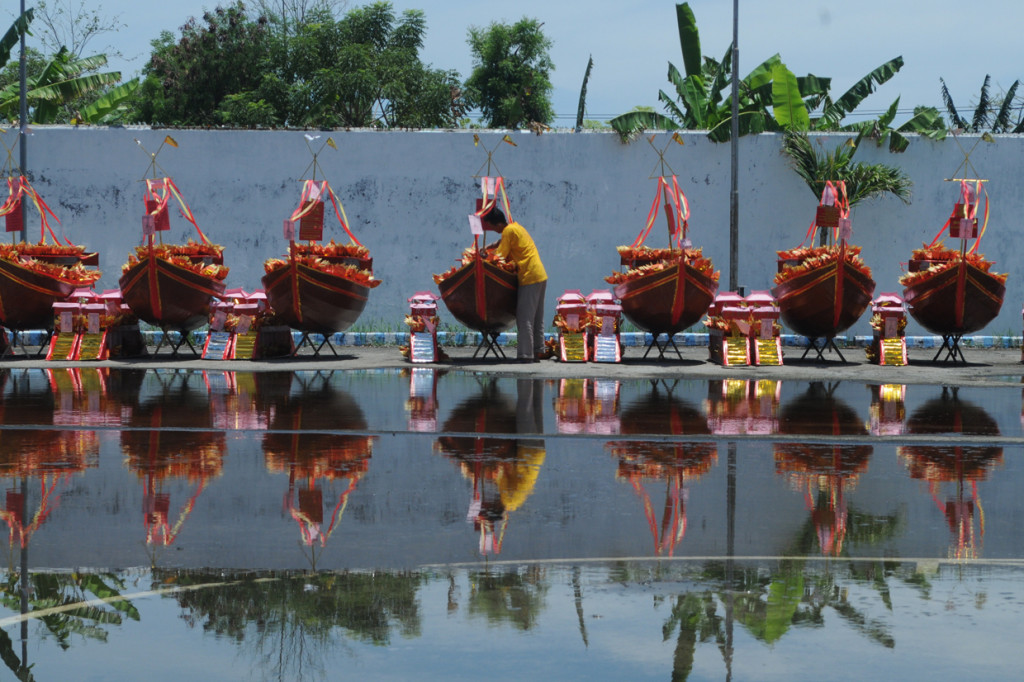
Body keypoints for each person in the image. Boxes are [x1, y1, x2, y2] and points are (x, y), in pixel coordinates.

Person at [482, 208, 548, 362]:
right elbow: (500, 244)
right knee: (537, 317)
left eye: (492, 227)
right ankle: (538, 350)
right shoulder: (516, 227)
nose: (493, 230)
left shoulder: (508, 231)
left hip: (529, 276)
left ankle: (525, 355)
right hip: (540, 275)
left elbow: (500, 257)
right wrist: (488, 248)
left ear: (498, 224)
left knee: (524, 318)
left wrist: (485, 259)